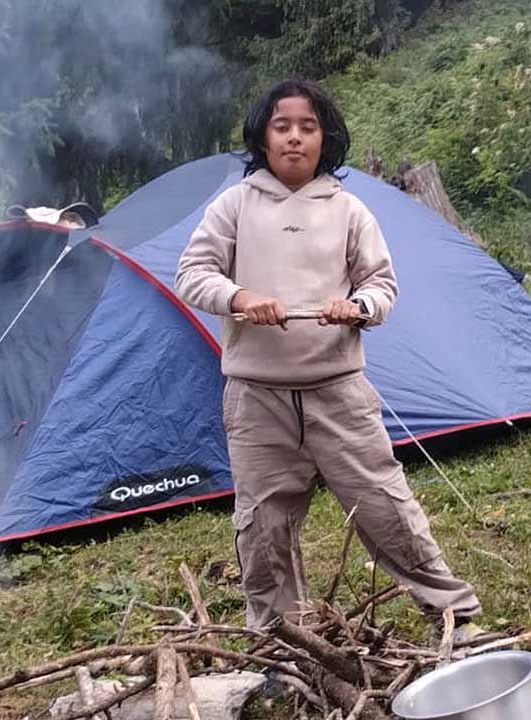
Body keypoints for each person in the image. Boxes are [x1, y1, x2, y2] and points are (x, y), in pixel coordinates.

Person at [174, 79, 483, 639]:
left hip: (339, 389)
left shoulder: (349, 209)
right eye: (282, 126)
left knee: (384, 506)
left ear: (326, 138)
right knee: (263, 525)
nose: (295, 138)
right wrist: (241, 298)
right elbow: (192, 274)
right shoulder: (235, 204)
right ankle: (280, 637)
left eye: (308, 127)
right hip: (256, 396)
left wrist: (358, 307)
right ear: (262, 137)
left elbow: (381, 284)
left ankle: (453, 615)